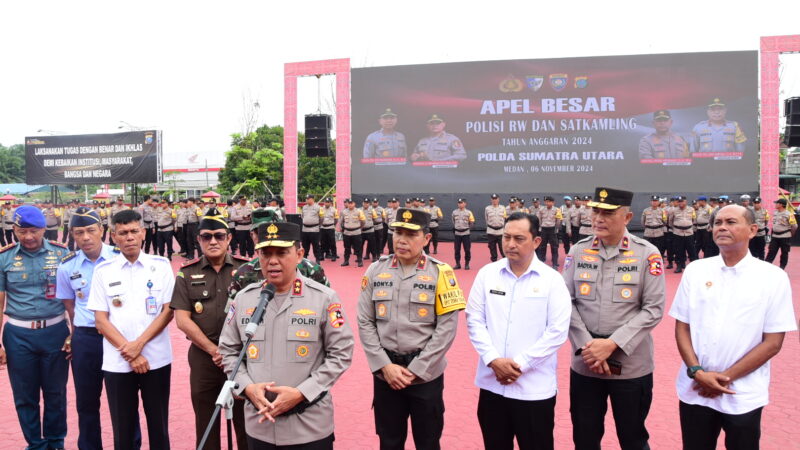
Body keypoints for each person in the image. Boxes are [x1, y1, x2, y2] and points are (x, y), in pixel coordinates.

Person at [669, 205, 796, 450]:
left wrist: (725, 378)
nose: (722, 227)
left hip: (742, 393)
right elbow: (682, 327)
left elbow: (773, 343)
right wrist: (697, 372)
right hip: (695, 388)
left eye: (731, 222)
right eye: (717, 223)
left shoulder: (772, 277)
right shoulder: (696, 270)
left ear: (752, 230)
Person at [218, 221, 354, 449]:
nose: (272, 261)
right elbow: (228, 350)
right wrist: (246, 387)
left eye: (281, 253)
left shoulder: (324, 298)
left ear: (299, 254)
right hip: (259, 425)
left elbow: (341, 353)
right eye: (266, 253)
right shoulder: (244, 299)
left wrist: (302, 392)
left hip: (309, 426)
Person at [562, 187, 666, 450]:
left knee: (633, 439)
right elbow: (566, 303)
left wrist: (611, 344)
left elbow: (653, 309)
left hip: (630, 367)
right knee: (584, 438)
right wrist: (588, 347)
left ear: (627, 217)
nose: (599, 218)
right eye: (596, 211)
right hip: (586, 363)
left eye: (608, 213)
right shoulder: (578, 251)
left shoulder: (647, 253)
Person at [357, 207, 466, 450]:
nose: (401, 240)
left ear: (426, 238)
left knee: (428, 442)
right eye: (398, 233)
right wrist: (384, 366)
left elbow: (446, 329)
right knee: (389, 442)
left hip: (426, 377)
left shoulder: (441, 273)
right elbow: (365, 321)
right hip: (386, 375)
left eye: (410, 234)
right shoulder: (376, 270)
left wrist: (417, 369)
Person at [466, 212, 571, 450]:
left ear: (536, 241)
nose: (510, 244)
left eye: (519, 238)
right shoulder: (487, 274)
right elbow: (474, 320)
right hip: (492, 385)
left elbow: (557, 332)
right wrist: (493, 360)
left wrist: (520, 364)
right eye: (507, 237)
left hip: (534, 389)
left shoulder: (552, 280)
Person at [87, 209, 175, 450]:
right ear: (113, 236)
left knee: (159, 427)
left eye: (134, 231)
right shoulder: (103, 271)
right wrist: (131, 352)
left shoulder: (161, 265)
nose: (129, 237)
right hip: (118, 361)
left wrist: (139, 345)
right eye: (123, 233)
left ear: (143, 233)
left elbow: (168, 311)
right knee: (123, 429)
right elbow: (101, 320)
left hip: (156, 359)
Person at [57, 206, 142, 450]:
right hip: (86, 339)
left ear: (102, 230)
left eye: (90, 230)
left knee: (124, 401)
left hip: (118, 338)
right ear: (72, 235)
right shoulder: (67, 266)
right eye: (78, 232)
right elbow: (70, 307)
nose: (85, 237)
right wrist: (75, 337)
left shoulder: (120, 257)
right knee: (86, 402)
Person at [172, 208, 250, 450]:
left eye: (219, 236)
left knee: (247, 423)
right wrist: (214, 350)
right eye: (207, 236)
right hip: (204, 358)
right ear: (199, 240)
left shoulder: (248, 271)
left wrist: (229, 353)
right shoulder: (187, 273)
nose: (213, 241)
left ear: (229, 238)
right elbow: (182, 319)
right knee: (206, 422)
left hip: (243, 358)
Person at [0, 206, 70, 450]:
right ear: (14, 230)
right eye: (22, 231)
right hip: (18, 336)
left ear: (44, 229)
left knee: (56, 393)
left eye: (34, 231)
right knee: (24, 396)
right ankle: (36, 444)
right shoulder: (4, 257)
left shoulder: (62, 254)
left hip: (55, 332)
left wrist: (74, 333)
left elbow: (74, 299)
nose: (28, 237)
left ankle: (56, 442)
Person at [228, 208, 330, 302]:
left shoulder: (311, 270)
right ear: (252, 235)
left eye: (269, 231)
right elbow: (232, 311)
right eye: (259, 232)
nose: (265, 237)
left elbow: (326, 304)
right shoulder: (243, 273)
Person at [765, 198, 797, 269]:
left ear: (781, 205)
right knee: (771, 252)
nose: (775, 204)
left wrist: (791, 235)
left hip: (785, 236)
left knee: (784, 253)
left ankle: (782, 267)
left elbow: (795, 226)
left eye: (777, 203)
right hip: (775, 236)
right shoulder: (775, 212)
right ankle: (766, 266)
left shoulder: (788, 214)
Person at [669, 196, 698, 273]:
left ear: (686, 202)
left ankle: (694, 266)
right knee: (678, 250)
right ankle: (679, 266)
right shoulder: (673, 210)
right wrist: (677, 227)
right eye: (679, 202)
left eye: (682, 201)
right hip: (678, 233)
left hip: (689, 232)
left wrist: (687, 225)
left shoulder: (691, 209)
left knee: (691, 250)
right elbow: (670, 221)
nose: (681, 203)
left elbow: (694, 219)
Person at [536, 196, 562, 269]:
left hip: (552, 230)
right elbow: (539, 219)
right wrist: (541, 227)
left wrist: (556, 229)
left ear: (553, 202)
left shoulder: (557, 210)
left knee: (554, 247)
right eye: (546, 202)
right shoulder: (541, 209)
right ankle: (541, 262)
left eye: (549, 202)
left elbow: (558, 220)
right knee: (542, 247)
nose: (548, 203)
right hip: (544, 229)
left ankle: (555, 263)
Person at [340, 199, 365, 267]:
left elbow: (363, 221)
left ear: (354, 204)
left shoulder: (359, 211)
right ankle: (346, 261)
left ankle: (359, 261)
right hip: (347, 233)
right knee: (347, 248)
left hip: (356, 232)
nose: (350, 205)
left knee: (358, 248)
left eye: (352, 203)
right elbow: (341, 221)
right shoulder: (344, 212)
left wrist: (360, 227)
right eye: (349, 203)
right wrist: (341, 228)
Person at [301, 194, 325, 264]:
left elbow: (321, 218)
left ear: (312, 199)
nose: (306, 200)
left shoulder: (318, 207)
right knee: (305, 245)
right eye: (306, 199)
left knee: (316, 245)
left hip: (314, 229)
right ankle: (304, 259)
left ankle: (317, 259)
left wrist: (318, 225)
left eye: (308, 199)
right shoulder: (304, 207)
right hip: (305, 229)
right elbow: (302, 216)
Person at [452, 198, 475, 270]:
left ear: (465, 204)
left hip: (466, 234)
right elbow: (453, 221)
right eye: (459, 203)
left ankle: (467, 264)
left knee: (467, 250)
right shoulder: (454, 212)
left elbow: (472, 222)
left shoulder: (468, 212)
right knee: (457, 250)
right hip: (457, 234)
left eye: (461, 203)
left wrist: (468, 229)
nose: (460, 204)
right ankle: (457, 264)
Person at [485, 194, 507, 262]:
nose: (494, 200)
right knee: (492, 249)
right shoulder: (487, 208)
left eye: (496, 199)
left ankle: (505, 262)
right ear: (491, 200)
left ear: (498, 199)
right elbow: (486, 219)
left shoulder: (503, 208)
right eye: (493, 199)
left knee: (503, 249)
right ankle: (494, 262)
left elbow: (505, 219)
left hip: (501, 231)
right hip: (491, 231)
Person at [361, 198, 379, 263]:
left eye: (367, 203)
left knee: (372, 245)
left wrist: (369, 224)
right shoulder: (359, 210)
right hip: (362, 231)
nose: (365, 204)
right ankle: (359, 257)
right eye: (364, 203)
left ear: (369, 204)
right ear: (362, 203)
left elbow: (375, 219)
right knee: (360, 245)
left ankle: (374, 257)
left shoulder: (372, 210)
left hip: (370, 230)